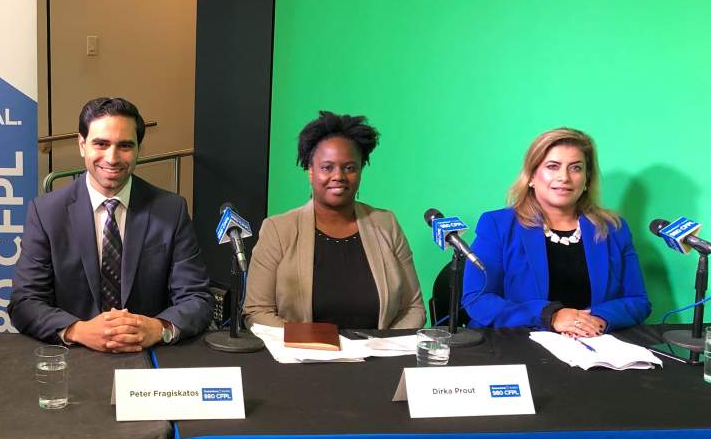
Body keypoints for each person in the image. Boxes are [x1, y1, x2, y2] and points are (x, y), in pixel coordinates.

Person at [10, 97, 212, 351]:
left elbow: (197, 298)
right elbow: (24, 301)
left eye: (125, 145)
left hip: (149, 356)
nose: (112, 157)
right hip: (74, 356)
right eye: (101, 144)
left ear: (139, 149)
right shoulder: (46, 212)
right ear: (82, 145)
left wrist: (159, 328)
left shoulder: (171, 210)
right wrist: (79, 331)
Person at [243, 111, 425, 331]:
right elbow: (257, 311)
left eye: (349, 168)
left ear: (360, 171)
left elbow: (413, 308)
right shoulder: (278, 230)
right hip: (302, 358)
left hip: (378, 359)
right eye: (327, 167)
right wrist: (316, 344)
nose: (338, 176)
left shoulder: (386, 224)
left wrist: (383, 347)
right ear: (310, 171)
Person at [461, 127, 650, 333]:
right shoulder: (498, 225)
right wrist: (550, 316)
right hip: (518, 345)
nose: (564, 177)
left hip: (592, 344)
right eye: (552, 166)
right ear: (531, 176)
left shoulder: (613, 229)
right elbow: (478, 299)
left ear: (587, 179)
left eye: (576, 168)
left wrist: (597, 319)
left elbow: (638, 301)